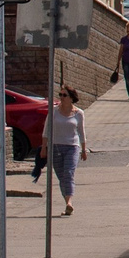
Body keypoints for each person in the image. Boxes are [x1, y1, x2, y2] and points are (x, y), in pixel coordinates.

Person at [45, 86, 86, 215]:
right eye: (60, 95)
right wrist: (43, 148)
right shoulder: (54, 112)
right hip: (55, 146)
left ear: (71, 98)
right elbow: (46, 130)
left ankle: (69, 202)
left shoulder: (79, 113)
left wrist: (84, 149)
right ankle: (67, 203)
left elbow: (81, 132)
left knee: (68, 173)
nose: (61, 98)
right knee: (62, 177)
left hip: (72, 147)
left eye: (64, 95)